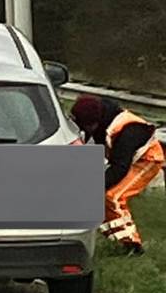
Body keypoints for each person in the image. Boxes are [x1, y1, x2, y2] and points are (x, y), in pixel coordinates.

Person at [70, 95, 164, 254]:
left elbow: (119, 168)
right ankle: (114, 236)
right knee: (103, 195)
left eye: (86, 127)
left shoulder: (127, 132)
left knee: (113, 196)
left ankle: (133, 246)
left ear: (95, 123)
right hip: (128, 158)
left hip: (147, 159)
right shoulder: (100, 118)